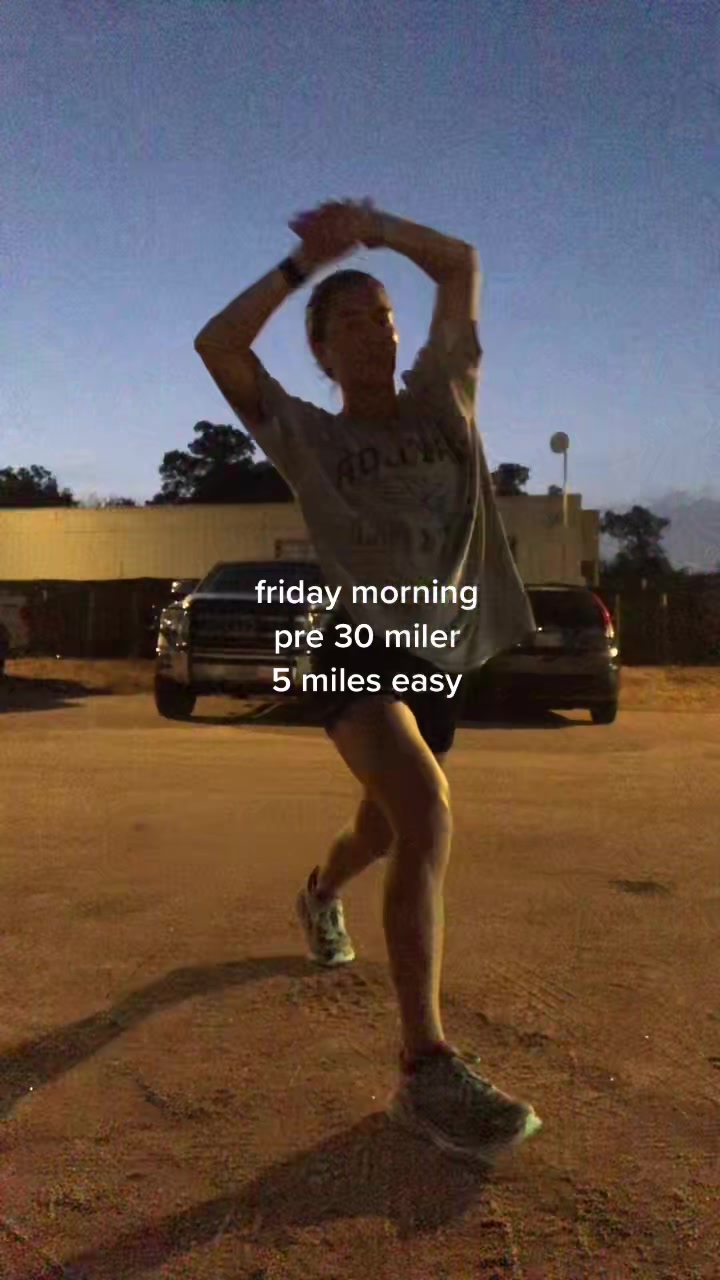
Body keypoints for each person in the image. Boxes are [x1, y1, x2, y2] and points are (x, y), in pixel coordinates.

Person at [194, 198, 542, 1164]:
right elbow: (217, 344)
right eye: (350, 321)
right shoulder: (305, 432)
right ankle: (424, 1069)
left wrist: (376, 228)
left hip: (436, 654)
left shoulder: (444, 397)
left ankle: (319, 893)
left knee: (385, 828)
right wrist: (304, 264)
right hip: (353, 643)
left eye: (383, 316)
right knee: (426, 812)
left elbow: (461, 262)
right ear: (321, 349)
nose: (375, 331)